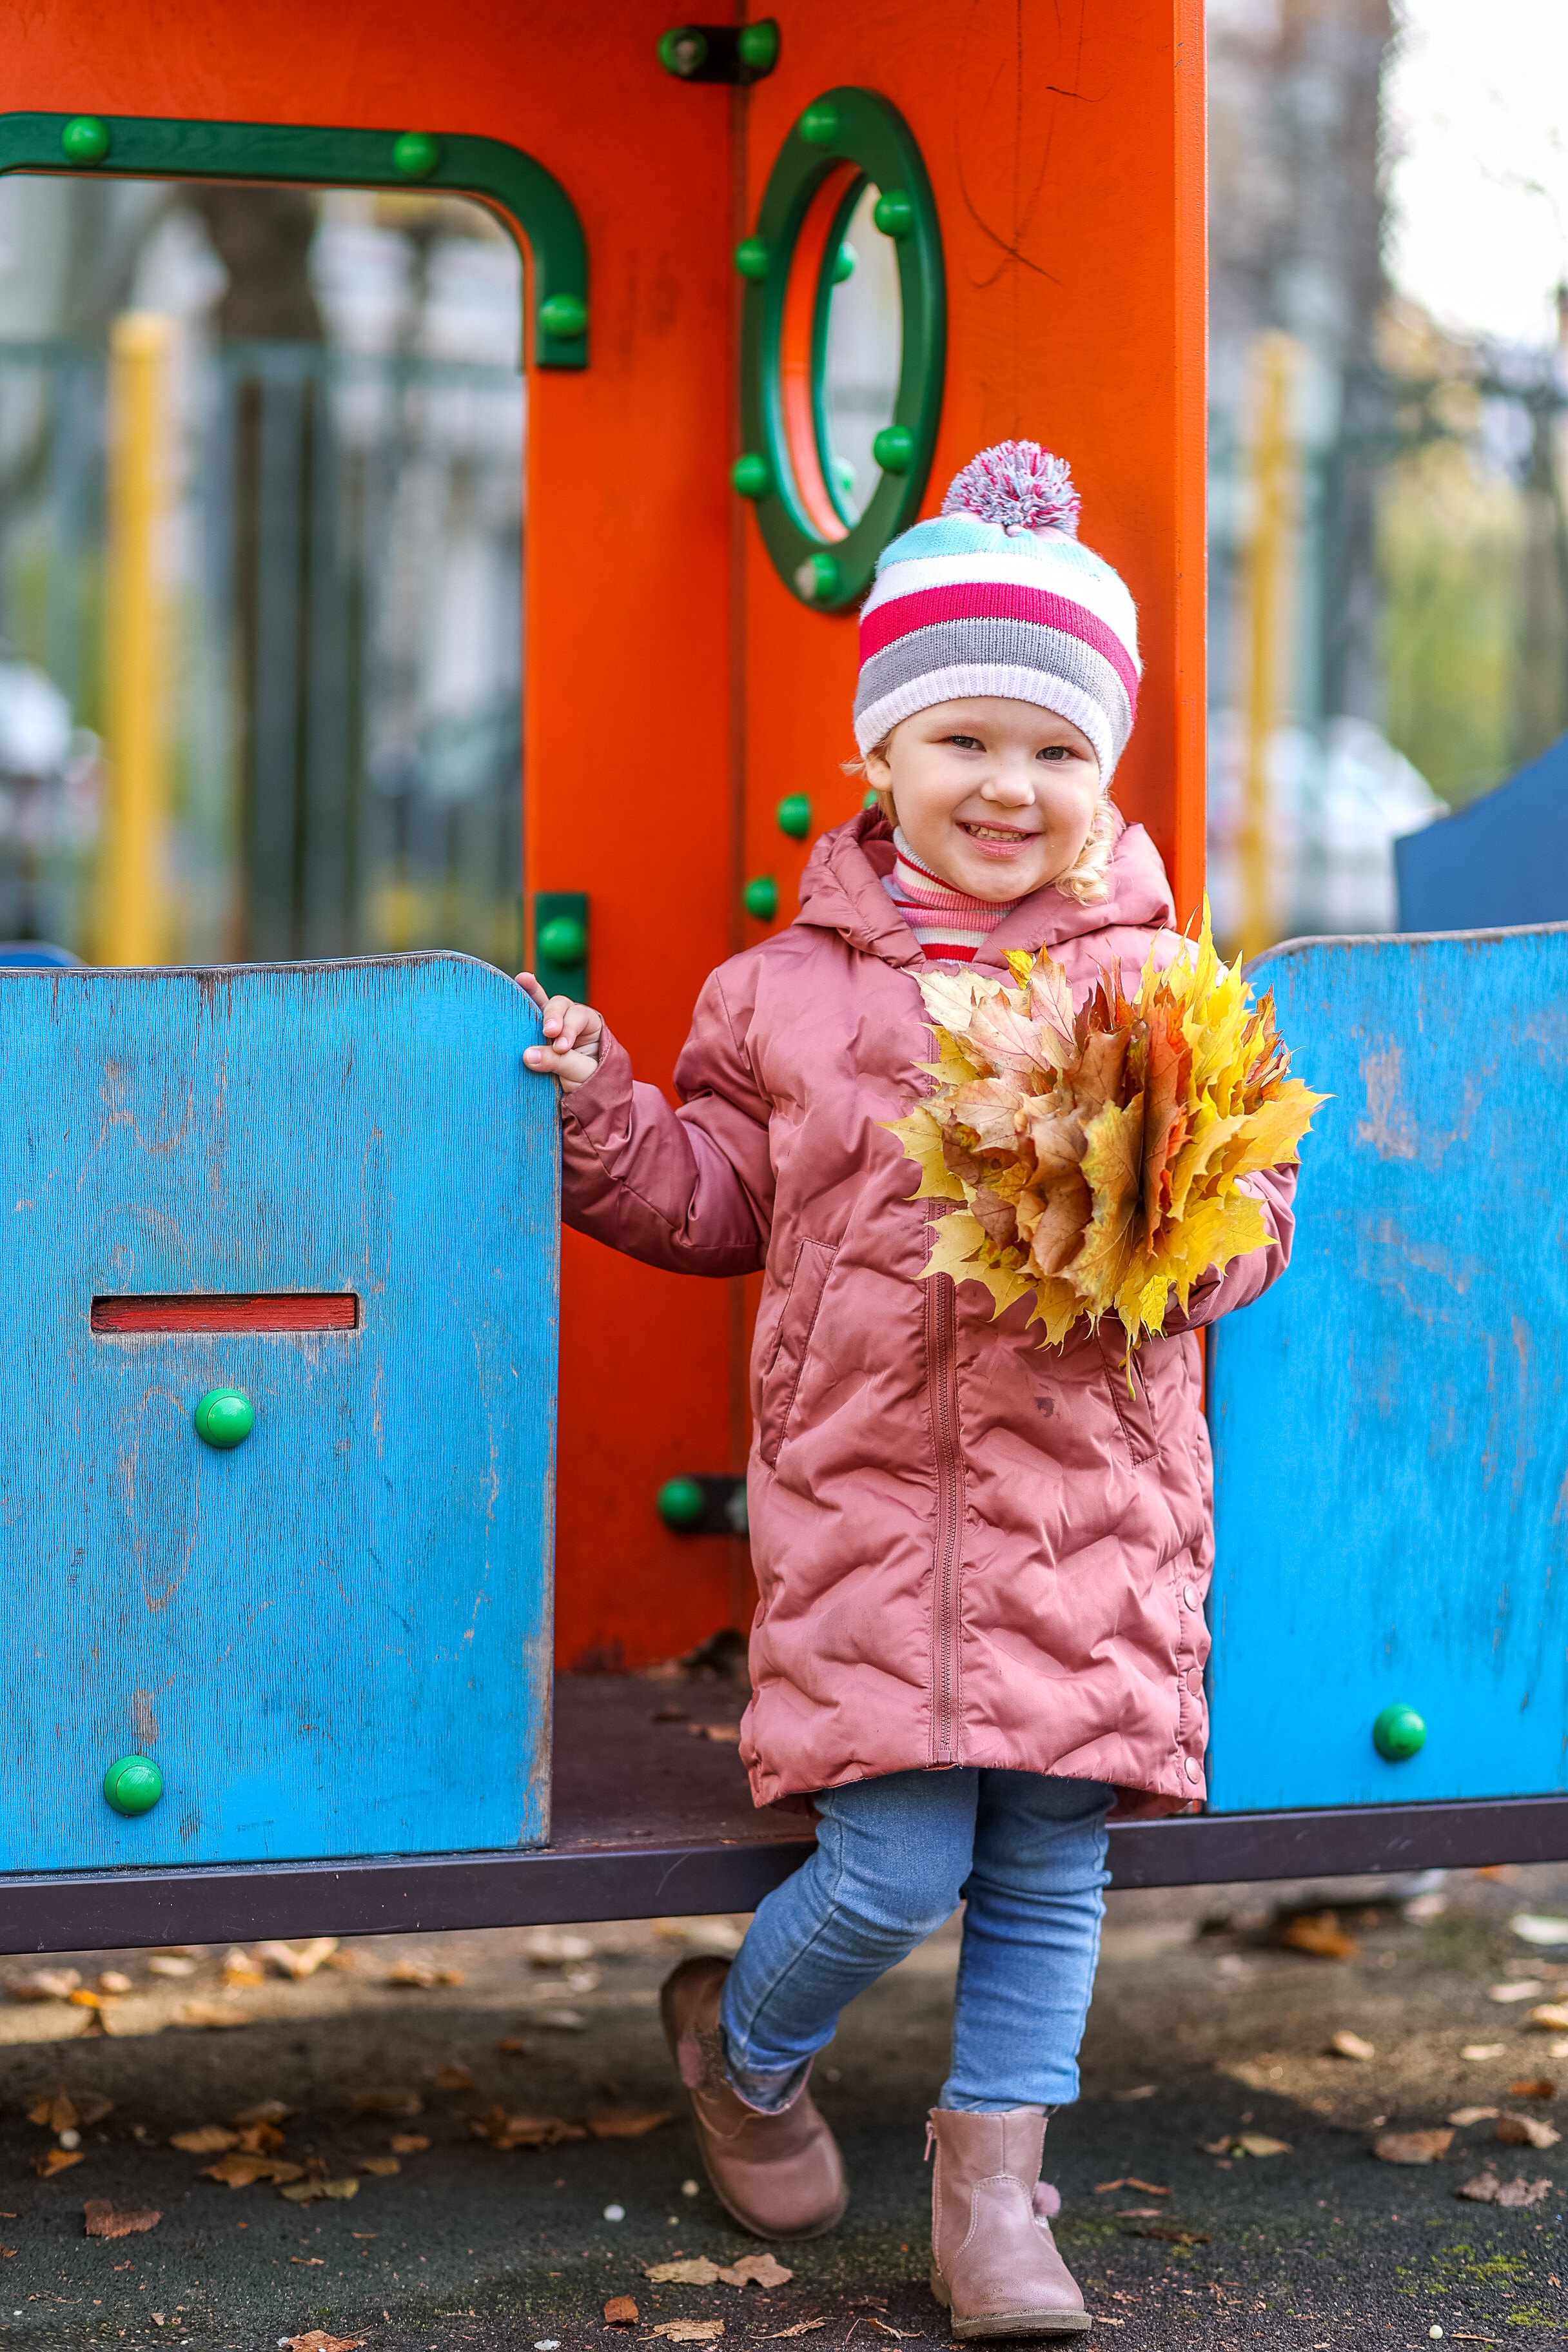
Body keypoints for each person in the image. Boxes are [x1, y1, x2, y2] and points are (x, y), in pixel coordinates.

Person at [517, 441, 1297, 2341]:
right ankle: (742, 2050)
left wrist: (1196, 1241)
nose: (1008, 787)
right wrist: (606, 1116)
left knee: (1048, 1859)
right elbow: (715, 1196)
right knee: (887, 1868)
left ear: (1106, 772)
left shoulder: (1157, 979)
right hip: (867, 1499)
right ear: (878, 751)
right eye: (962, 740)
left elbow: (1249, 1200)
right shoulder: (779, 994)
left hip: (1089, 1504)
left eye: (1055, 750)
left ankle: (997, 2197)